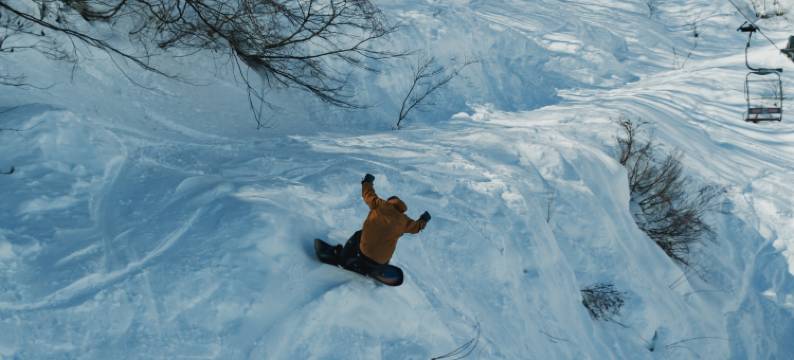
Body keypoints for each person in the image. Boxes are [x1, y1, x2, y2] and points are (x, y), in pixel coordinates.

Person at [335, 173, 431, 275]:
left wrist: (367, 182)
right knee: (387, 244)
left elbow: (368, 194)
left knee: (358, 235)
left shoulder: (380, 204)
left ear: (390, 201)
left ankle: (343, 259)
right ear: (401, 209)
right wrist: (423, 220)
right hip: (381, 261)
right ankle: (377, 270)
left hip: (364, 252)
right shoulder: (404, 221)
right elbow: (417, 227)